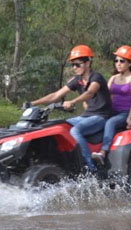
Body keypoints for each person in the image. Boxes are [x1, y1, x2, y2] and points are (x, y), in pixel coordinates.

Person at [25, 45, 112, 174]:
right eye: (72, 65)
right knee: (61, 126)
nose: (74, 68)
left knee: (76, 130)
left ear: (88, 63)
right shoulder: (77, 80)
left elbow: (90, 92)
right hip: (86, 116)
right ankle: (63, 163)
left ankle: (90, 169)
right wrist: (33, 103)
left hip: (101, 117)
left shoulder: (96, 77)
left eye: (77, 64)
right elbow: (56, 95)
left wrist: (73, 101)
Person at [93, 45, 131, 163]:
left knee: (110, 123)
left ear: (129, 63)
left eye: (122, 61)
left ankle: (103, 153)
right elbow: (104, 96)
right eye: (116, 61)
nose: (118, 63)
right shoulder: (113, 78)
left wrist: (129, 118)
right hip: (112, 111)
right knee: (97, 121)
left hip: (125, 112)